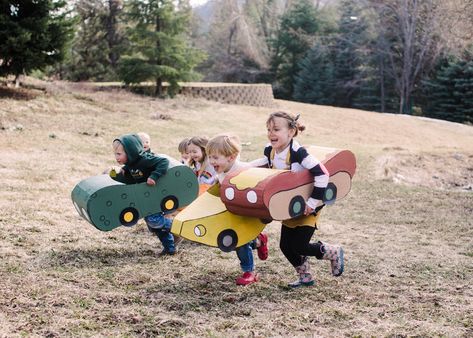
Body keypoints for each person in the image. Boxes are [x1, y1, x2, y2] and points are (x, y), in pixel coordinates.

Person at [252, 111, 344, 287]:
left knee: (300, 245)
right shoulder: (270, 151)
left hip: (309, 205)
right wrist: (237, 167)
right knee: (286, 246)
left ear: (291, 132)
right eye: (268, 129)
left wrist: (311, 203)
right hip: (290, 206)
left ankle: (332, 251)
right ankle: (305, 277)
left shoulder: (299, 153)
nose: (271, 133)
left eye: (276, 129)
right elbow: (262, 163)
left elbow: (322, 174)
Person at [207, 134, 269, 286]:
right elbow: (221, 180)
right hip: (234, 211)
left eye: (215, 157)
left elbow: (261, 163)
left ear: (231, 157)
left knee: (239, 241)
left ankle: (249, 272)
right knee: (235, 241)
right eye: (209, 157)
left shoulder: (242, 169)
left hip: (248, 212)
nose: (211, 161)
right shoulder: (221, 171)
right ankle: (258, 241)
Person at [111, 133, 177, 255]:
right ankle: (170, 248)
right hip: (146, 198)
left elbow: (163, 162)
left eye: (119, 154)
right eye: (115, 154)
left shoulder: (145, 160)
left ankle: (178, 226)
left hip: (156, 196)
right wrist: (120, 172)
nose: (116, 157)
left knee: (154, 220)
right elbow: (131, 175)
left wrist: (154, 176)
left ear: (130, 152)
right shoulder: (131, 164)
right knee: (155, 227)